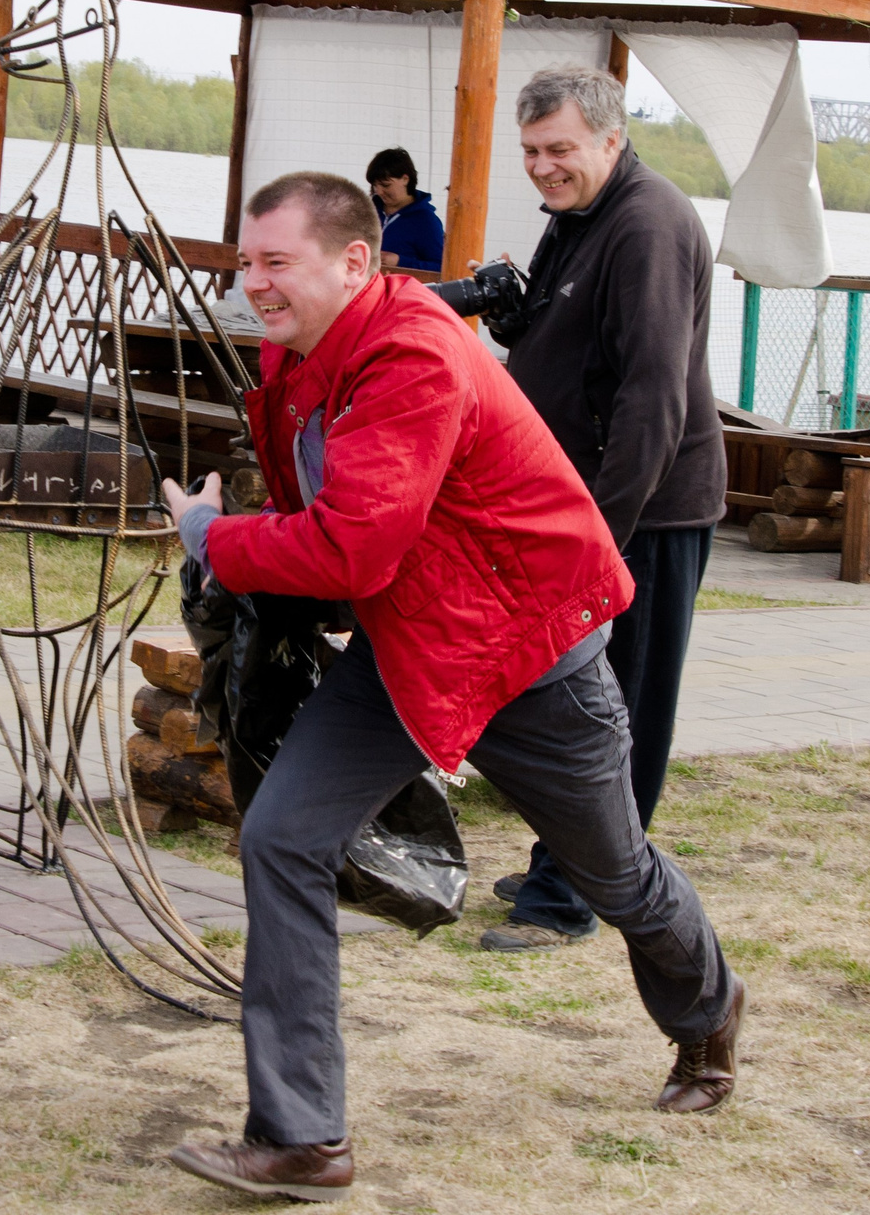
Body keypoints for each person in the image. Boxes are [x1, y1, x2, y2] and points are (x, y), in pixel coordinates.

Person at [158, 170, 742, 1204]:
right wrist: (238, 547)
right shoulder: (297, 357)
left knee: (612, 874)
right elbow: (337, 523)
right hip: (409, 641)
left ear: (352, 261)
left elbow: (349, 543)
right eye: (244, 262)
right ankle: (302, 1137)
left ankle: (706, 1013)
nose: (253, 282)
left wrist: (217, 539)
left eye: (273, 261)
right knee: (282, 834)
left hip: (522, 652)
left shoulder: (410, 351)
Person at [479, 66, 728, 953]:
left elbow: (652, 401)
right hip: (579, 508)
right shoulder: (579, 216)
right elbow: (577, 350)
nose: (543, 168)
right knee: (571, 699)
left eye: (560, 151)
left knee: (621, 708)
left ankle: (572, 898)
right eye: (532, 152)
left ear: (612, 140)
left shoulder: (647, 225)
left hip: (644, 517)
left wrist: (600, 543)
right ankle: (564, 859)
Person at [363, 147, 443, 272]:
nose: (379, 191)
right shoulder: (367, 211)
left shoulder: (426, 221)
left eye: (385, 185)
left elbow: (440, 268)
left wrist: (400, 261)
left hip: (403, 289)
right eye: (375, 185)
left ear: (405, 179)